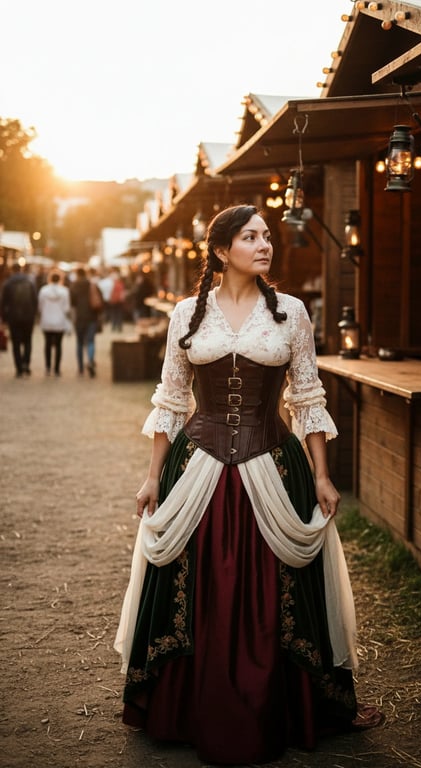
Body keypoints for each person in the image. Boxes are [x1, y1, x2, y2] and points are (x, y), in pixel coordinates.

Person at [115, 205, 382, 765]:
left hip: (272, 463)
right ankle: (187, 708)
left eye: (267, 236)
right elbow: (170, 398)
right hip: (199, 464)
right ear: (221, 251)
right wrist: (150, 476)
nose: (265, 245)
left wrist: (323, 474)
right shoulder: (187, 313)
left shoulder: (291, 312)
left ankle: (292, 706)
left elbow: (306, 396)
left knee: (277, 588)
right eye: (250, 236)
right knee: (201, 583)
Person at [0, 262, 38, 378]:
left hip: (13, 317)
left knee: (16, 343)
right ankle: (26, 362)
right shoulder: (29, 281)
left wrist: (4, 318)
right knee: (28, 340)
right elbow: (35, 300)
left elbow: (3, 303)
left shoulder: (8, 283)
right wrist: (34, 314)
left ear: (12, 270)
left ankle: (19, 368)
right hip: (28, 316)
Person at [38, 269, 71, 376]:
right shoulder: (65, 291)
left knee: (47, 344)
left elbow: (40, 306)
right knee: (58, 345)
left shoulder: (43, 290)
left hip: (47, 320)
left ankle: (48, 367)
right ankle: (57, 369)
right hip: (59, 321)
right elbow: (67, 308)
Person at [70, 267, 102, 377]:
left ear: (77, 274)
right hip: (91, 317)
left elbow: (72, 303)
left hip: (79, 318)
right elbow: (100, 300)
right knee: (91, 341)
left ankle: (80, 368)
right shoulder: (92, 285)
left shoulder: (74, 286)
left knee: (79, 342)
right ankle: (91, 361)